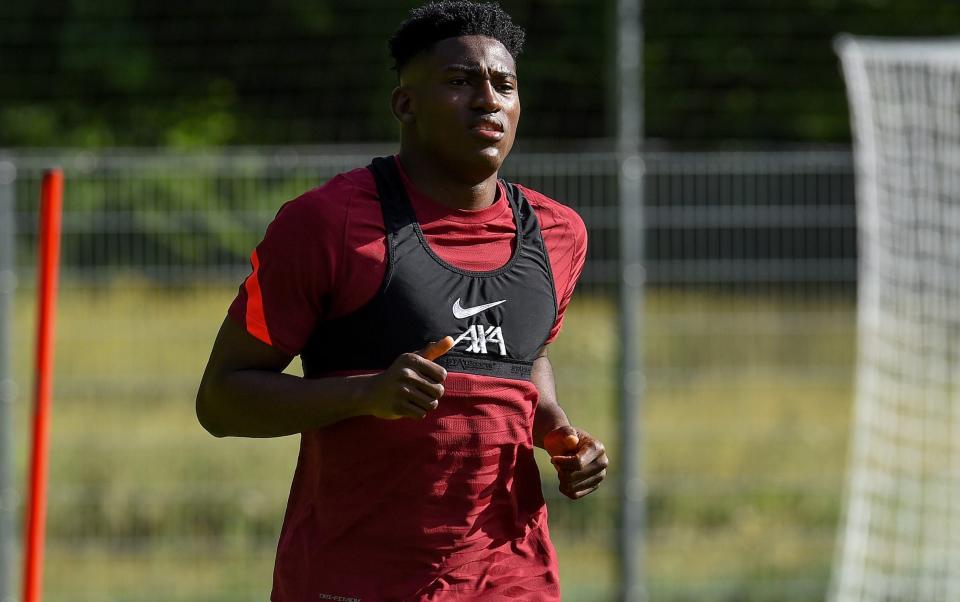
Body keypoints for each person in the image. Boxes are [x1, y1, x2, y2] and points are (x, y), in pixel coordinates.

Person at [196, 2, 609, 600]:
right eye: (460, 81)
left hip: (512, 578)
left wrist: (558, 431)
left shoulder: (558, 232)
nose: (488, 99)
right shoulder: (328, 224)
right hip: (357, 578)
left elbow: (525, 357)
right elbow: (222, 400)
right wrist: (366, 393)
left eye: (505, 84)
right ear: (405, 105)